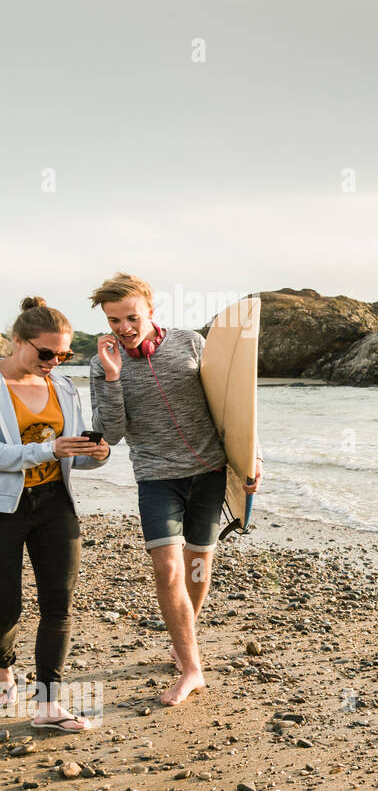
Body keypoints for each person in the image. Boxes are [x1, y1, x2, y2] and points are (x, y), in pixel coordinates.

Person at [88, 273, 263, 706]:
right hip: (156, 477)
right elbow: (112, 433)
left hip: (208, 474)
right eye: (114, 321)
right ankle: (191, 668)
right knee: (167, 570)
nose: (124, 328)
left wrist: (253, 458)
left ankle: (181, 637)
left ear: (151, 308)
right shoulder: (101, 365)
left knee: (199, 567)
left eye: (131, 317)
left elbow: (234, 406)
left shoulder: (190, 343)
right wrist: (112, 378)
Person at [0, 298, 111, 731]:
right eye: (46, 353)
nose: (55, 361)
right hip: (4, 507)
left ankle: (48, 705)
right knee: (5, 607)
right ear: (16, 341)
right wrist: (47, 448)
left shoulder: (63, 386)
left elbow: (73, 457)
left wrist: (95, 453)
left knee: (58, 605)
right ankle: (5, 669)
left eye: (62, 355)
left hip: (54, 504)